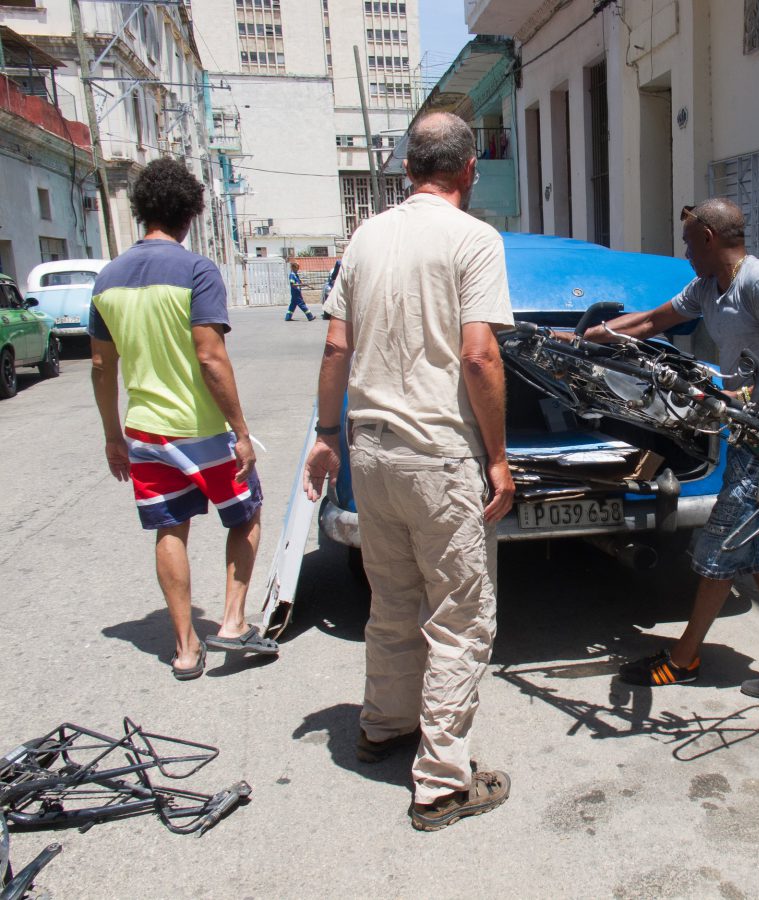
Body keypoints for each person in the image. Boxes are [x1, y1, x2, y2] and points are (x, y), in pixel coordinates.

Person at [303, 112, 516, 831]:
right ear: (467, 171)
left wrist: (327, 435)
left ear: (407, 169)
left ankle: (384, 724)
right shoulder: (473, 239)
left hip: (373, 456)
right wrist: (496, 458)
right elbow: (481, 355)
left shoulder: (365, 237)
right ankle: (441, 785)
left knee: (393, 603)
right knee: (460, 620)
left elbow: (336, 348)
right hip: (439, 458)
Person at [582, 198, 759, 701]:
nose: (686, 252)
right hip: (747, 434)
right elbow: (654, 320)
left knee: (721, 547)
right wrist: (591, 337)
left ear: (710, 238)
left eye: (690, 242)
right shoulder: (708, 288)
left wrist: (747, 395)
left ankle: (683, 658)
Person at [89, 158, 277, 681]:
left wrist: (112, 436)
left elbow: (102, 366)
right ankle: (234, 622)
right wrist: (241, 431)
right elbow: (210, 356)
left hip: (145, 432)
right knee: (245, 514)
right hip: (202, 431)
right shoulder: (196, 270)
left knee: (170, 528)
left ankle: (186, 649)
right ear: (191, 214)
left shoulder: (107, 278)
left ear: (141, 209)